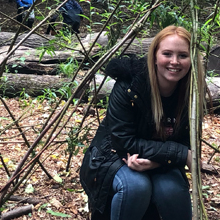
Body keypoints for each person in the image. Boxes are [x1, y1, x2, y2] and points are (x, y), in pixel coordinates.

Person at [80, 25, 201, 220]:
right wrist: (179, 154)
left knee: (172, 191)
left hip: (159, 160)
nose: (174, 62)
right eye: (167, 54)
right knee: (135, 187)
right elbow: (123, 142)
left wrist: (156, 162)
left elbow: (188, 143)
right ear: (154, 56)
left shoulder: (191, 93)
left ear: (191, 60)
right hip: (113, 156)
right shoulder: (130, 84)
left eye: (183, 56)